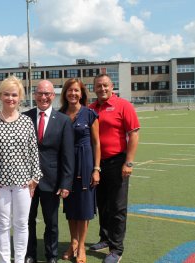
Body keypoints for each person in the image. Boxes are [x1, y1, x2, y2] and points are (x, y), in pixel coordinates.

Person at [0, 75, 43, 263]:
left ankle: (19, 260)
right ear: (0, 96)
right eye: (7, 94)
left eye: (14, 95)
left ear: (20, 98)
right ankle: (4, 261)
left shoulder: (26, 122)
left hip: (23, 184)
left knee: (21, 224)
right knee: (2, 225)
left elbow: (34, 151)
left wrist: (35, 178)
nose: (11, 98)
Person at [89, 74, 140, 263]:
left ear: (112, 87)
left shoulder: (123, 105)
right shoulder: (91, 108)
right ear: (94, 88)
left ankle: (116, 249)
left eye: (105, 85)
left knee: (117, 207)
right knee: (102, 204)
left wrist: (129, 162)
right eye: (98, 86)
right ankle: (105, 238)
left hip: (118, 163)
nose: (102, 89)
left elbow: (134, 134)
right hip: (97, 164)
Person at [23, 80, 75, 263]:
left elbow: (68, 155)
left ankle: (51, 256)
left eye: (47, 94)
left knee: (51, 223)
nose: (43, 97)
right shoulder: (24, 117)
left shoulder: (63, 121)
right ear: (34, 95)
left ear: (53, 96)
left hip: (51, 181)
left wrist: (66, 183)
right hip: (26, 181)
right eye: (40, 93)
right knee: (26, 222)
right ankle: (29, 255)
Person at [59, 78, 101, 263]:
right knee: (70, 207)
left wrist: (96, 169)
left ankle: (81, 245)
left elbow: (96, 143)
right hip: (66, 165)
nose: (73, 94)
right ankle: (73, 242)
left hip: (85, 164)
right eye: (70, 90)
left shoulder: (90, 114)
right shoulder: (59, 114)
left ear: (81, 93)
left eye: (76, 91)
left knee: (83, 208)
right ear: (65, 93)